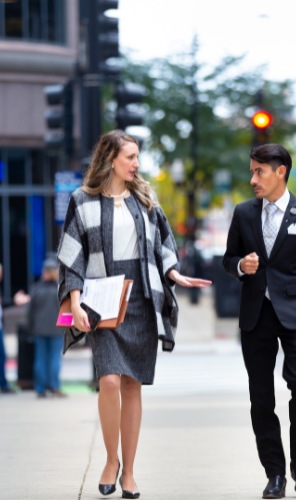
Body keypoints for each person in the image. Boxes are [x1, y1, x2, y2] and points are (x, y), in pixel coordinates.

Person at [57, 130, 211, 497]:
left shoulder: (145, 199)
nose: (137, 164)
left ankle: (129, 472)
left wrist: (174, 274)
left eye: (137, 157)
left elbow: (164, 245)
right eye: (130, 157)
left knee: (132, 385)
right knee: (109, 380)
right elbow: (71, 257)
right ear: (111, 158)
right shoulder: (82, 201)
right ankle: (111, 460)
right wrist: (75, 302)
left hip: (141, 297)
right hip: (102, 300)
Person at [222, 144, 296, 499]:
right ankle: (274, 474)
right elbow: (228, 258)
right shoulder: (244, 213)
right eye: (252, 170)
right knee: (261, 398)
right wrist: (239, 266)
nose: (252, 179)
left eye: (259, 171)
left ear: (280, 172)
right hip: (256, 315)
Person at [0, 261, 29, 394]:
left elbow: (0, 304)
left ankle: (3, 384)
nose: (0, 278)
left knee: (2, 356)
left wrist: (14, 301)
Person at [27, 258, 66, 398]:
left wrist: (30, 328)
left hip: (39, 328)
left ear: (44, 272)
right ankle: (54, 387)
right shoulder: (60, 288)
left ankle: (40, 389)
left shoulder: (36, 288)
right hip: (57, 328)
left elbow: (30, 312)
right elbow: (65, 309)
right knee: (55, 359)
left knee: (40, 359)